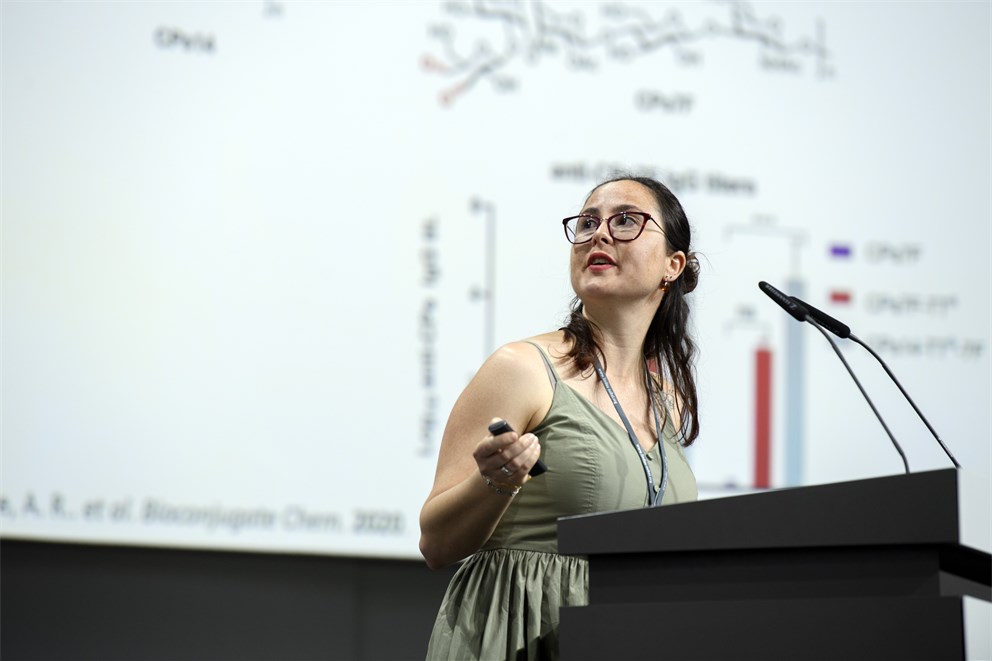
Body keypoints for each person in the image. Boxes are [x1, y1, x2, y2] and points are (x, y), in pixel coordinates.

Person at [420, 175, 701, 660]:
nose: (599, 234)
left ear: (672, 265)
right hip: (519, 636)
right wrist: (495, 482)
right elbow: (436, 543)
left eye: (626, 221)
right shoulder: (523, 368)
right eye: (588, 222)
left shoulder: (669, 400)